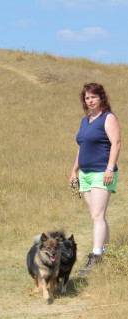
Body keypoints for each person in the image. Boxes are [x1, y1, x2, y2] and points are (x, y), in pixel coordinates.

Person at [70, 82, 121, 274]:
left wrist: (109, 168)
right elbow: (81, 147)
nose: (90, 101)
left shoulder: (108, 118)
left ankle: (96, 255)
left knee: (97, 216)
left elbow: (116, 143)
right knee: (97, 217)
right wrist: (74, 171)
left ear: (101, 98)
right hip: (86, 174)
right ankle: (106, 252)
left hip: (102, 172)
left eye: (93, 97)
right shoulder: (85, 121)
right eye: (87, 98)